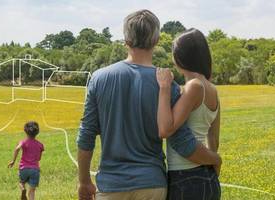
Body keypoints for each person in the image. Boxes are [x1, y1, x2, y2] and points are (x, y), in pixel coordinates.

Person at [76, 9, 222, 200]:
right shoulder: (168, 85)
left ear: (125, 40)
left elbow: (86, 134)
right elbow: (181, 141)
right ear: (156, 40)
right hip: (153, 184)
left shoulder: (98, 78)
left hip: (112, 185)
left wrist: (84, 181)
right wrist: (215, 159)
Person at [156, 28, 221, 200]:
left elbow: (166, 128)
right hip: (207, 176)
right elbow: (213, 139)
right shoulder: (212, 89)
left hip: (186, 177)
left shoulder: (194, 86)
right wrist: (214, 165)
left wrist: (164, 88)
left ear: (179, 58)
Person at [8, 121, 44, 200]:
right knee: (32, 191)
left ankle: (23, 189)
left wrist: (13, 161)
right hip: (35, 170)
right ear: (37, 132)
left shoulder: (23, 142)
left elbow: (17, 148)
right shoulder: (40, 144)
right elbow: (39, 158)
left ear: (26, 131)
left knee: (21, 183)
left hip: (23, 168)